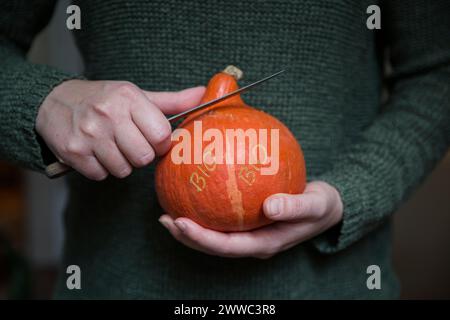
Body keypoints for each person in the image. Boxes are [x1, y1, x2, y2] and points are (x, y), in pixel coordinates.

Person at [0, 0, 449, 299]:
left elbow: (437, 72)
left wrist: (349, 195)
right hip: (116, 282)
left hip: (333, 286)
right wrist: (40, 102)